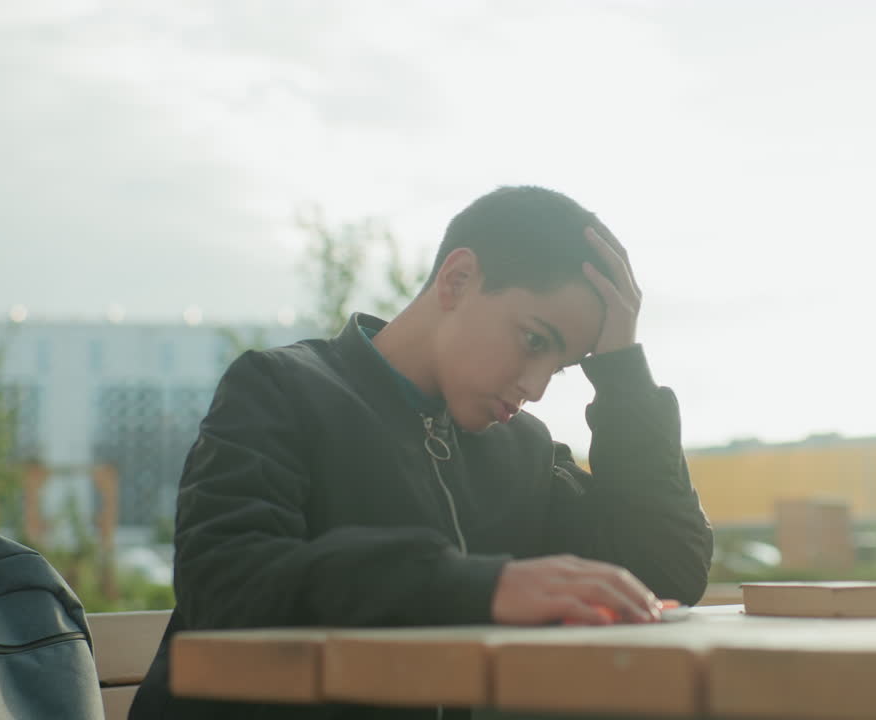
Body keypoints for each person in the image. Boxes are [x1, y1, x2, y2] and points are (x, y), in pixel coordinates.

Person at [130, 186, 713, 720]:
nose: (536, 387)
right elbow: (227, 582)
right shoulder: (280, 388)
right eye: (534, 341)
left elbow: (663, 570)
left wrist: (621, 375)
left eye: (558, 368)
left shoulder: (522, 450)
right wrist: (479, 587)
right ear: (457, 280)